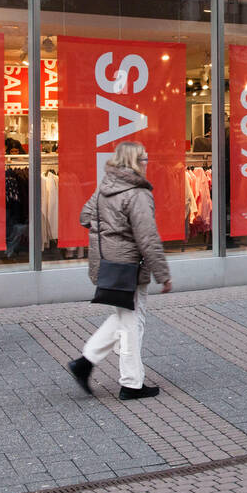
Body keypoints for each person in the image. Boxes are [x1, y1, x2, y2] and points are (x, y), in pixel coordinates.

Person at [67, 141, 172, 400]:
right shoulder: (137, 193)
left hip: (108, 263)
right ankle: (131, 384)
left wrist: (110, 233)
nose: (147, 162)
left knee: (125, 318)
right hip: (128, 266)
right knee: (132, 322)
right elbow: (147, 238)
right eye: (144, 158)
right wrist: (163, 274)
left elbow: (85, 217)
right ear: (134, 161)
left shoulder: (105, 187)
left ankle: (86, 363)